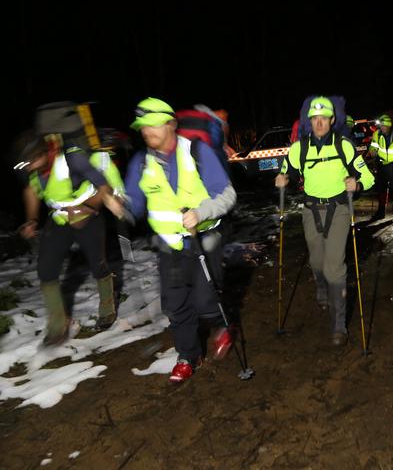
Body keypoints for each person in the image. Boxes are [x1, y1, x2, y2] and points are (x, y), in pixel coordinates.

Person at [120, 97, 237, 383]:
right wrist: (119, 205)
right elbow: (134, 203)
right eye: (142, 127)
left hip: (203, 237)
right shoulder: (140, 162)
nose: (146, 132)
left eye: (153, 124)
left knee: (205, 302)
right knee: (175, 306)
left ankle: (222, 325)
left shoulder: (198, 151)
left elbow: (227, 195)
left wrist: (200, 212)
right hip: (168, 245)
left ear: (171, 124)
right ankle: (188, 356)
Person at [275, 96, 374, 346]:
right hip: (310, 209)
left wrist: (358, 183)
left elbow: (368, 177)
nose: (319, 123)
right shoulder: (300, 148)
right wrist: (282, 177)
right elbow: (287, 169)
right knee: (317, 260)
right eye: (314, 119)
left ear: (332, 120)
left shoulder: (345, 146)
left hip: (339, 209)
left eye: (324, 118)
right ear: (310, 121)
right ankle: (320, 285)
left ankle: (339, 324)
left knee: (334, 266)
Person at [18, 129, 125, 346]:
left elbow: (101, 183)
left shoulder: (72, 158)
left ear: (44, 154)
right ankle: (58, 325)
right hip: (59, 219)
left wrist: (98, 205)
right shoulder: (30, 167)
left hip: (88, 215)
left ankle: (107, 305)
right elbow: (31, 191)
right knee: (46, 269)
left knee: (98, 263)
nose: (28, 167)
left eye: (31, 162)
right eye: (25, 164)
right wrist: (31, 220)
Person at [368, 113, 393, 222]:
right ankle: (381, 212)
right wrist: (372, 152)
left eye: (384, 126)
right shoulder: (377, 133)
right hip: (381, 163)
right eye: (381, 126)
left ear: (389, 125)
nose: (382, 128)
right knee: (381, 188)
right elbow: (374, 146)